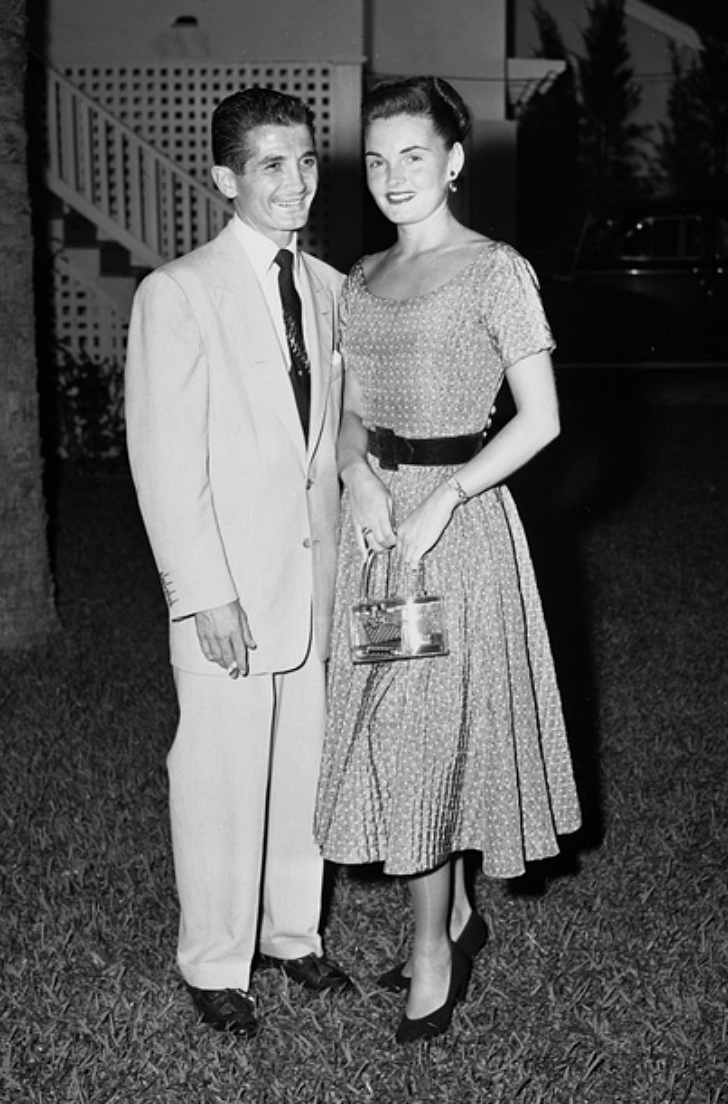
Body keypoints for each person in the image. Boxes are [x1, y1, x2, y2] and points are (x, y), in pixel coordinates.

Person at [314, 76, 582, 1044]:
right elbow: (347, 413)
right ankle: (454, 914)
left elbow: (542, 420)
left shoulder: (493, 270)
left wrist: (447, 497)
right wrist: (361, 478)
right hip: (380, 530)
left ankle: (433, 947)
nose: (392, 176)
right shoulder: (362, 278)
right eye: (377, 159)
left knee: (423, 732)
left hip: (455, 536)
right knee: (398, 730)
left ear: (454, 160)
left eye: (412, 156)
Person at [125, 87, 351, 1038]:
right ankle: (217, 961)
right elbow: (166, 459)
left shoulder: (334, 289)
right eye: (270, 164)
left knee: (303, 769)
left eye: (305, 162)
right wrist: (202, 594)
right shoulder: (178, 293)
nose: (293, 182)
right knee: (220, 776)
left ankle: (293, 936)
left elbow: (335, 446)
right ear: (226, 178)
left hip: (316, 583)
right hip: (229, 590)